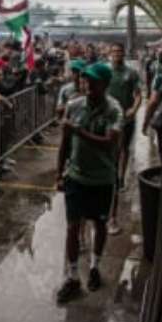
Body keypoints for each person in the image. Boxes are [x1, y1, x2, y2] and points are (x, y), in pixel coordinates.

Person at [55, 62, 122, 303]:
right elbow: (64, 142)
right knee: (73, 227)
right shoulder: (73, 106)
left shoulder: (114, 110)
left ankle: (94, 267)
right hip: (76, 177)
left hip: (102, 179)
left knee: (99, 224)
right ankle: (72, 277)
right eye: (85, 81)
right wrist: (58, 172)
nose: (88, 85)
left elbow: (109, 143)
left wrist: (78, 131)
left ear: (105, 84)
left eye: (93, 82)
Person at [106, 42, 142, 235]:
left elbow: (138, 95)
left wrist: (134, 109)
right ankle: (112, 175)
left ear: (123, 54)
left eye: (120, 51)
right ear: (110, 54)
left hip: (127, 120)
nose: (117, 54)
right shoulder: (105, 72)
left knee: (124, 150)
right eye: (114, 51)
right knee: (111, 149)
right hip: (110, 119)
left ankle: (120, 176)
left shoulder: (131, 73)